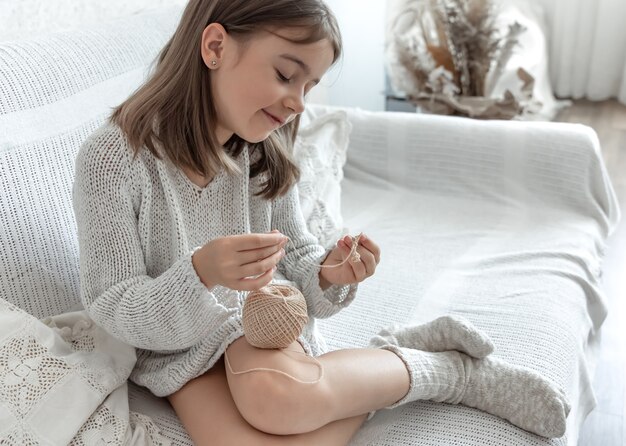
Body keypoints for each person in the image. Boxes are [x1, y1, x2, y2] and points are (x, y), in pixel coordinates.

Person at [72, 0, 571, 444]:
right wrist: (201, 273)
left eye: (309, 86)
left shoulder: (265, 150)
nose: (298, 103)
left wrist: (327, 274)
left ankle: (454, 374)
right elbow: (112, 305)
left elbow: (299, 261)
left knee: (278, 398)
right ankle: (390, 357)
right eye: (287, 76)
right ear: (216, 46)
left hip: (260, 326)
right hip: (176, 348)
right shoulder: (113, 159)